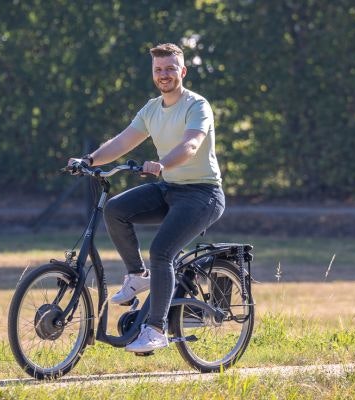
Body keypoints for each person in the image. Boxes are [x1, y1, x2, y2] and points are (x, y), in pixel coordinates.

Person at [69, 43, 225, 353]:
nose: (164, 75)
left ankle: (156, 329)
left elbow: (192, 145)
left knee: (162, 252)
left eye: (170, 69)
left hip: (202, 194)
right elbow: (123, 141)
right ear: (152, 73)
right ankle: (138, 276)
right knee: (115, 210)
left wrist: (162, 163)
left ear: (182, 71)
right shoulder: (152, 109)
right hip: (169, 189)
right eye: (158, 70)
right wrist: (89, 160)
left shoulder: (197, 106)